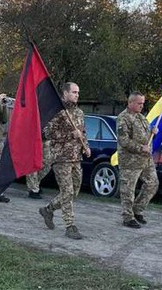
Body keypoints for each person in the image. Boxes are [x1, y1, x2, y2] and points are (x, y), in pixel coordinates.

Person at [38, 82, 90, 240]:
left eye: (78, 92)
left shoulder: (79, 113)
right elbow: (46, 133)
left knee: (73, 193)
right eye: (74, 92)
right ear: (65, 93)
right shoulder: (57, 111)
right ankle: (70, 226)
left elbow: (83, 133)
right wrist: (69, 135)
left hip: (76, 158)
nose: (77, 95)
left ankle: (48, 209)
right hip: (61, 158)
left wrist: (86, 146)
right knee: (67, 192)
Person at [117, 92, 159, 229]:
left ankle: (138, 210)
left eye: (143, 103)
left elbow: (146, 137)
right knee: (128, 190)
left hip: (145, 160)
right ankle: (127, 217)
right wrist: (141, 148)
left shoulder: (142, 118)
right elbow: (124, 141)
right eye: (139, 103)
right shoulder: (123, 118)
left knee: (152, 184)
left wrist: (153, 131)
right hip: (130, 161)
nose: (142, 106)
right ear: (131, 103)